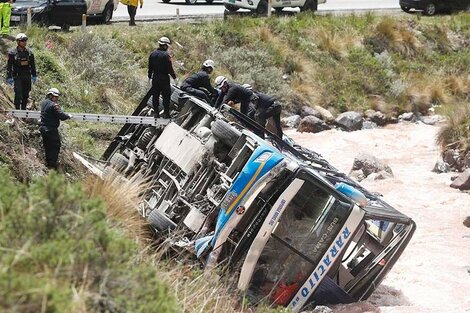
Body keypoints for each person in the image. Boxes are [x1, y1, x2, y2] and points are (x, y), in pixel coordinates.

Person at [39, 88, 72, 170]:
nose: (56, 98)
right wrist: (68, 116)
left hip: (43, 128)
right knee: (55, 146)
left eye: (57, 97)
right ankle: (52, 164)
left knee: (47, 146)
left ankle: (48, 162)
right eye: (55, 96)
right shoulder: (54, 105)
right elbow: (61, 116)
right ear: (50, 95)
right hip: (51, 129)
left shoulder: (43, 103)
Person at [6, 33, 37, 110]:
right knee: (18, 93)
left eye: (25, 40)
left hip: (27, 76)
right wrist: (9, 76)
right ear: (18, 42)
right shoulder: (12, 53)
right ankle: (17, 110)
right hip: (17, 76)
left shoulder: (29, 53)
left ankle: (23, 110)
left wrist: (34, 75)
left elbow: (33, 65)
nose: (24, 42)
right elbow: (9, 66)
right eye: (22, 41)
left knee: (26, 94)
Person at [148, 36, 176, 119]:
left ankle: (156, 113)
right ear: (165, 45)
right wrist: (174, 77)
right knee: (166, 96)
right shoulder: (166, 55)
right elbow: (169, 68)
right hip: (164, 78)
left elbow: (150, 68)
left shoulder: (152, 54)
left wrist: (149, 77)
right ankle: (166, 113)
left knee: (155, 96)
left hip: (155, 78)